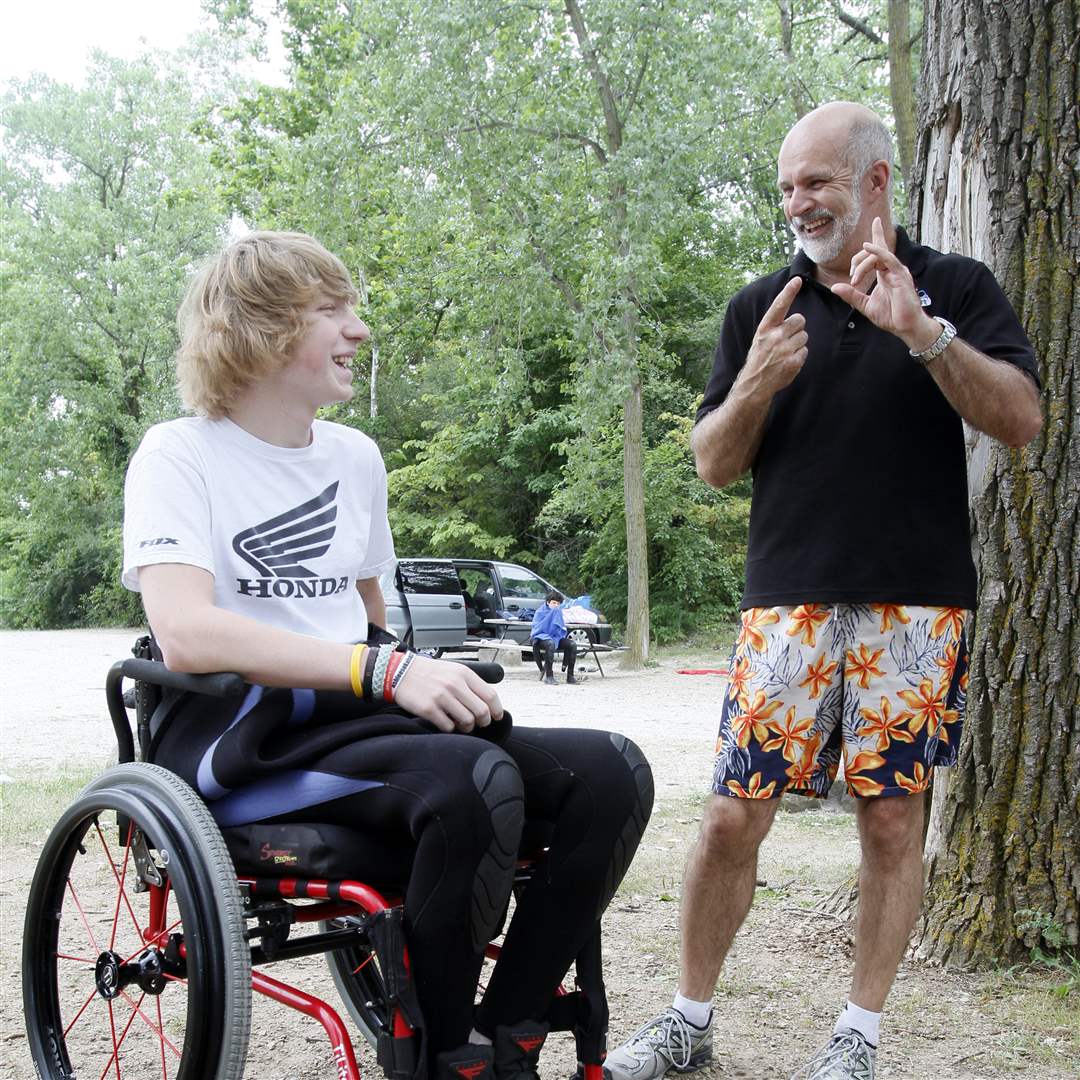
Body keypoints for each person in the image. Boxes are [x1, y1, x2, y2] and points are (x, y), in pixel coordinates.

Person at [122, 231, 654, 1080]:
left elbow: (368, 616)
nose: (358, 329)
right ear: (259, 327)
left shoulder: (354, 458)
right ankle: (445, 1056)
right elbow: (187, 631)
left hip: (355, 713)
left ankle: (510, 1028)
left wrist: (410, 675)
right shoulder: (178, 453)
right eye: (332, 310)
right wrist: (384, 671)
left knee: (613, 773)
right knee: (472, 790)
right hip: (241, 733)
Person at [605, 102, 1041, 1080]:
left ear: (877, 182)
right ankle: (687, 1021)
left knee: (892, 818)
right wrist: (755, 383)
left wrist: (925, 336)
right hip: (786, 604)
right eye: (788, 187)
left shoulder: (958, 289)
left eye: (817, 183)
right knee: (730, 815)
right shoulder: (762, 306)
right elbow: (713, 463)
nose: (798, 203)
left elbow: (1021, 419)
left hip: (916, 607)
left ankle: (856, 1039)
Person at [530, 592, 579, 685]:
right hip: (540, 637)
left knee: (572, 644)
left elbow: (560, 629)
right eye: (554, 603)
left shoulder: (558, 612)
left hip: (554, 638)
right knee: (550, 643)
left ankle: (570, 677)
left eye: (558, 603)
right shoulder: (540, 612)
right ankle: (549, 676)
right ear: (548, 602)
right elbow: (537, 629)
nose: (556, 605)